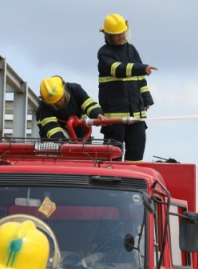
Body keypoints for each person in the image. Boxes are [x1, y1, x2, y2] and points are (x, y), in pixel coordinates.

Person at [96, 13, 157, 161]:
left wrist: (146, 98)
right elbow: (119, 70)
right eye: (117, 35)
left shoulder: (132, 50)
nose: (121, 37)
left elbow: (140, 79)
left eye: (122, 33)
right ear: (108, 35)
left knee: (136, 155)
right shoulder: (104, 53)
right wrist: (141, 68)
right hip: (114, 117)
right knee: (113, 158)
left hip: (136, 115)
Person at [35, 76, 107, 140]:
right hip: (58, 132)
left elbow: (89, 104)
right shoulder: (44, 108)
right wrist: (63, 145)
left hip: (79, 127)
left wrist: (98, 114)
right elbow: (51, 128)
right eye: (55, 103)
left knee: (85, 148)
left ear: (64, 89)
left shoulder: (75, 89)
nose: (59, 103)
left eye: (61, 98)